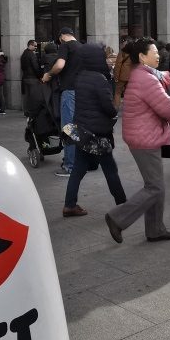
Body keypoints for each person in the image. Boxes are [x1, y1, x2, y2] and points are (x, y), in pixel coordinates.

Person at [103, 38, 170, 243]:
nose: (158, 55)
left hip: (142, 135)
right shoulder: (147, 79)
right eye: (154, 51)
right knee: (155, 187)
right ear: (142, 57)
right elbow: (168, 110)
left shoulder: (142, 75)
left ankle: (155, 229)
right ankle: (118, 218)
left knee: (155, 185)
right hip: (146, 138)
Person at [61, 44, 126, 217]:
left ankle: (69, 205)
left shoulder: (81, 76)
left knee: (78, 169)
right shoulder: (99, 79)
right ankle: (123, 205)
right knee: (110, 169)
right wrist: (116, 101)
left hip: (83, 131)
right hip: (98, 134)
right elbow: (109, 108)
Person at [42, 27, 97, 177]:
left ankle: (70, 166)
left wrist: (48, 74)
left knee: (69, 128)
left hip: (70, 92)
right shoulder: (83, 48)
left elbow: (59, 65)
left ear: (61, 37)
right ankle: (84, 162)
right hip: (84, 92)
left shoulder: (65, 46)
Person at [111, 36, 136, 107]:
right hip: (132, 75)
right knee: (129, 92)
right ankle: (131, 107)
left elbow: (118, 65)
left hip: (122, 75)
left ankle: (116, 108)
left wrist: (116, 77)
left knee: (117, 92)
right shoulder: (134, 52)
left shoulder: (122, 52)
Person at [20, 39, 39, 104]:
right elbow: (35, 67)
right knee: (33, 96)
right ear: (30, 45)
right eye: (35, 46)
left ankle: (27, 112)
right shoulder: (31, 54)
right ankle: (32, 112)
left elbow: (22, 67)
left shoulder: (24, 53)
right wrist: (39, 76)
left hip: (25, 78)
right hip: (32, 78)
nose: (36, 47)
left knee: (26, 96)